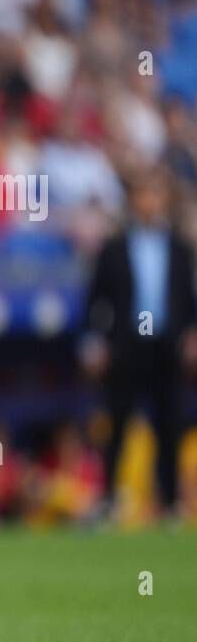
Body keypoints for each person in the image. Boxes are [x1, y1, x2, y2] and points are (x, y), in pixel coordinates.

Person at [82, 167, 197, 519]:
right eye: (143, 194)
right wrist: (92, 342)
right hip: (126, 345)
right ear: (133, 201)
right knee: (117, 422)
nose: (149, 202)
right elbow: (95, 298)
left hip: (166, 344)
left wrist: (192, 335)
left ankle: (171, 501)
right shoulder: (114, 247)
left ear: (163, 200)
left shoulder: (179, 248)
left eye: (155, 194)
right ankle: (109, 499)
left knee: (169, 422)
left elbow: (187, 298)